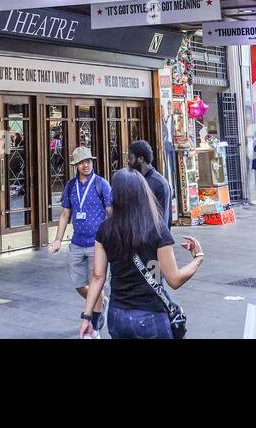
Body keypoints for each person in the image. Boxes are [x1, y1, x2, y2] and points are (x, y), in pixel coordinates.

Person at [78, 168, 204, 339]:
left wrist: (87, 318)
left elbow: (98, 278)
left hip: (117, 315)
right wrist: (197, 259)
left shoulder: (105, 229)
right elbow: (174, 279)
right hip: (151, 314)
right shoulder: (158, 228)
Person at [49, 147, 113, 335]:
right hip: (77, 243)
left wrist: (115, 233)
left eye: (88, 161)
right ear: (75, 165)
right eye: (82, 162)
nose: (86, 165)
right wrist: (57, 240)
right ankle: (100, 301)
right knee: (79, 284)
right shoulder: (70, 186)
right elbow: (65, 213)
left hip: (98, 244)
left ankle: (96, 324)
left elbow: (110, 211)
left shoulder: (101, 184)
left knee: (97, 280)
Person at [126, 140, 172, 230]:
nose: (128, 162)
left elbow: (162, 221)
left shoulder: (160, 183)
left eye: (130, 158)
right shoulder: (134, 179)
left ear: (140, 159)